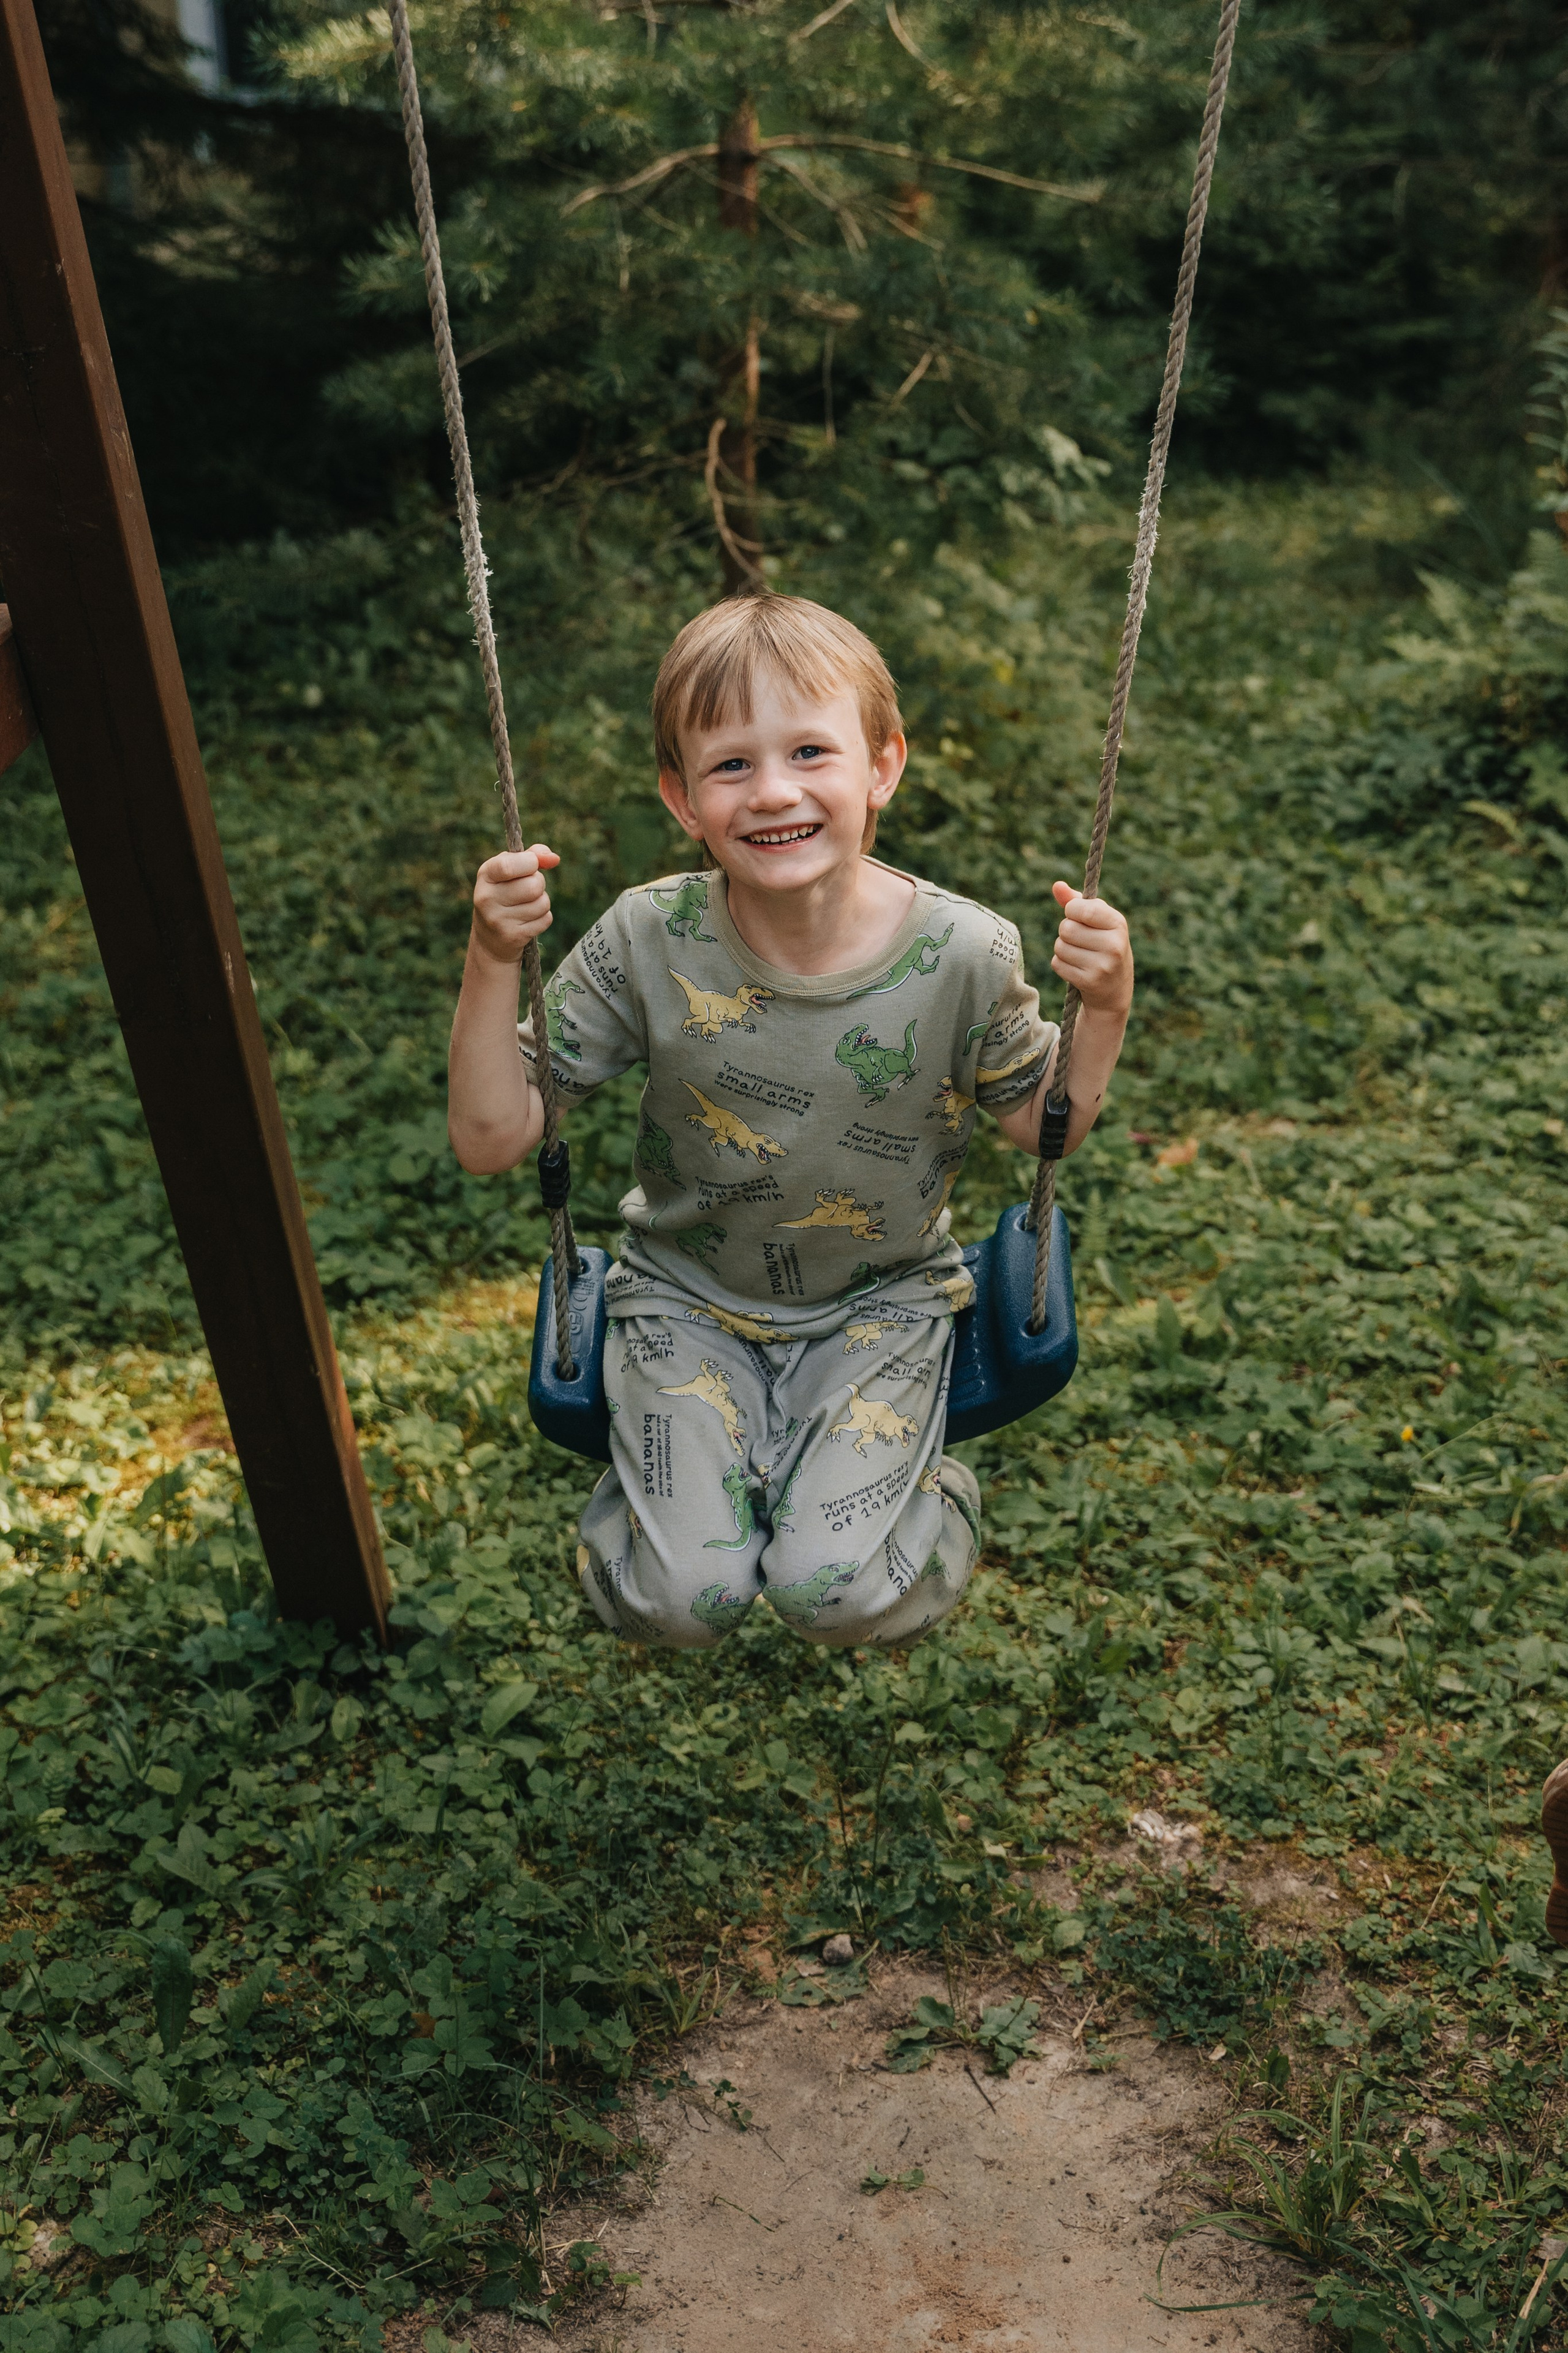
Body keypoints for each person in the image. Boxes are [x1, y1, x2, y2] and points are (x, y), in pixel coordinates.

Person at [448, 594, 1134, 1649]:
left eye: (810, 751)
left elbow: (1042, 1127)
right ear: (683, 797)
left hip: (882, 1302)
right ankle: (673, 1509)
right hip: (686, 1299)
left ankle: (927, 1494)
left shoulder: (964, 953)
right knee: (683, 1604)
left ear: (883, 766)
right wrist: (494, 962)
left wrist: (1108, 1009)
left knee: (834, 1595)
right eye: (730, 765)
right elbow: (491, 1137)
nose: (773, 791)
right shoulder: (651, 936)